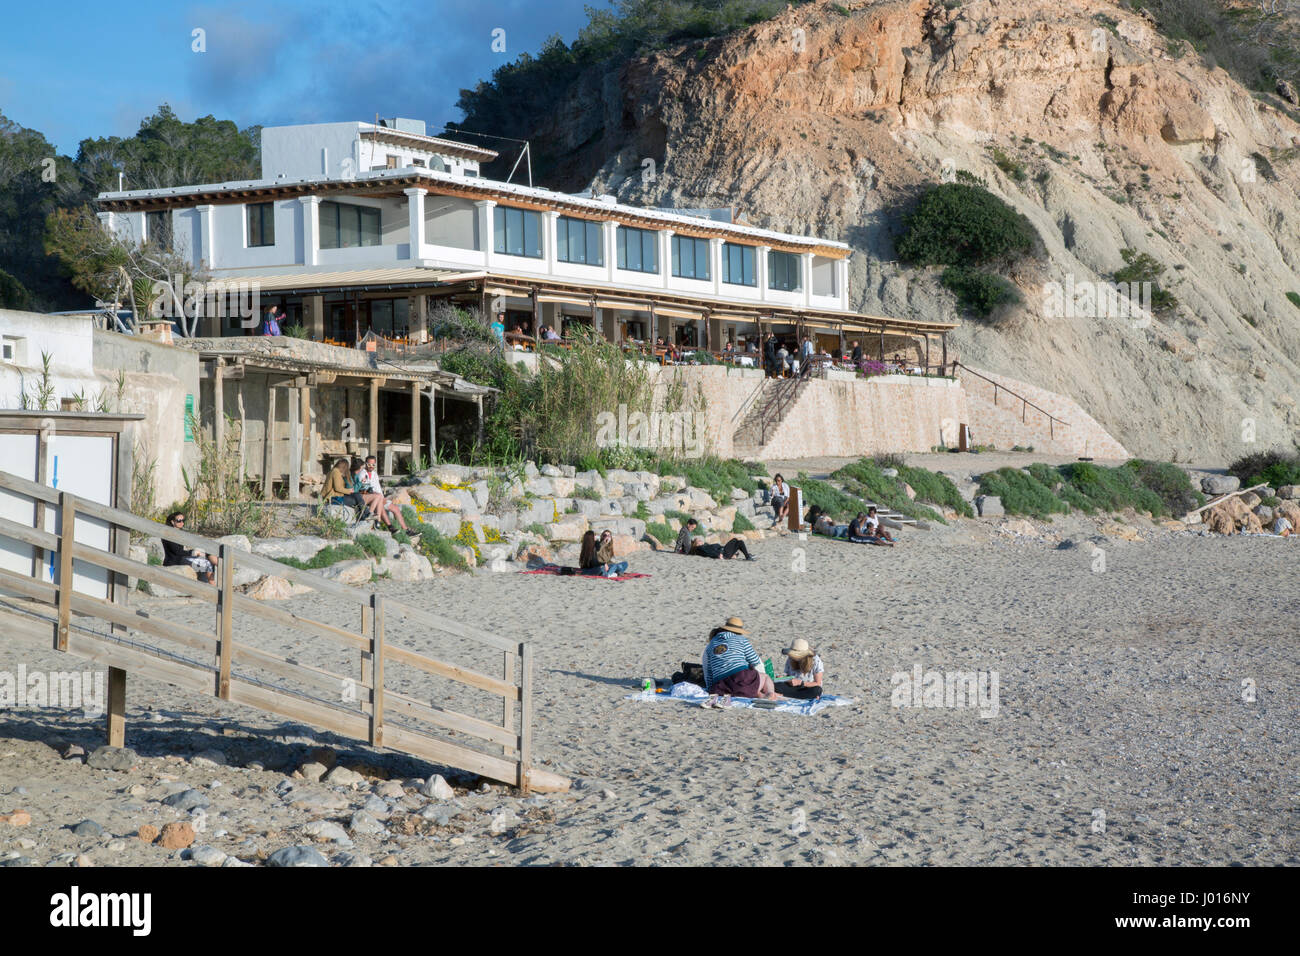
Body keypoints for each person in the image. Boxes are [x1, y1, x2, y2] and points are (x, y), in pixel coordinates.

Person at [702, 617, 781, 700]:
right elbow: (755, 661)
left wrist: (711, 689)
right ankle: (769, 693)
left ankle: (759, 694)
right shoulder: (741, 639)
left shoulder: (710, 645)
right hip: (741, 678)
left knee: (745, 685)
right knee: (764, 677)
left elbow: (708, 673)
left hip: (721, 687)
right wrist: (760, 678)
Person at [161, 512, 219, 584]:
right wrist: (193, 552)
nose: (182, 523)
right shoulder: (169, 534)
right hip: (176, 560)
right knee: (207, 563)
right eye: (179, 521)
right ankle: (213, 585)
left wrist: (197, 551)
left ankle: (221, 566)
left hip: (181, 557)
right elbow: (177, 552)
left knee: (207, 553)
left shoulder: (178, 533)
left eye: (183, 520)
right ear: (172, 522)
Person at [360, 455, 409, 532]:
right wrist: (380, 497)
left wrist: (383, 498)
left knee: (395, 508)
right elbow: (364, 488)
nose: (371, 466)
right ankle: (389, 526)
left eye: (373, 465)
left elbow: (378, 488)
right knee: (380, 504)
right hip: (369, 498)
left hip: (378, 497)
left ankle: (406, 530)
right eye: (369, 464)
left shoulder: (374, 474)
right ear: (366, 464)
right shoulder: (362, 473)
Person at [674, 518, 756, 561]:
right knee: (736, 540)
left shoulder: (689, 533)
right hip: (722, 553)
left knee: (737, 541)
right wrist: (677, 551)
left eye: (694, 528)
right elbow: (679, 540)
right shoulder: (700, 547)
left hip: (722, 551)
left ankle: (746, 555)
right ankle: (747, 556)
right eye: (692, 527)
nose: (692, 529)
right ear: (688, 524)